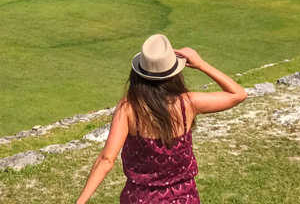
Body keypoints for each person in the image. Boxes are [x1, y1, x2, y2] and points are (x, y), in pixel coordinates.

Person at [76, 34, 247, 204]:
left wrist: (81, 201)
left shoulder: (129, 108)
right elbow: (238, 94)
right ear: (174, 74)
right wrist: (201, 64)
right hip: (184, 197)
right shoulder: (188, 103)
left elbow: (107, 160)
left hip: (140, 199)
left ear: (138, 74)